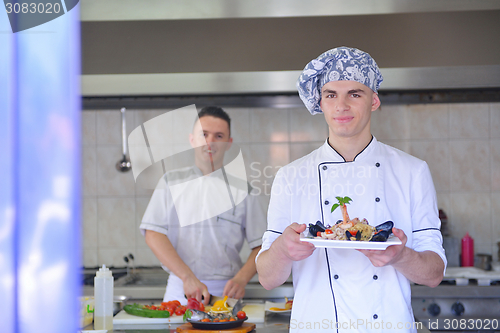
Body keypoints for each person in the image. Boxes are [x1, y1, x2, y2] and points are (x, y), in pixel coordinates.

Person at [256, 47, 446, 332]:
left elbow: (433, 274)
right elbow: (268, 279)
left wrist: (400, 255)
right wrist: (283, 249)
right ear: (320, 102)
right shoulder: (290, 176)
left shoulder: (412, 171)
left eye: (354, 94)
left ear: (374, 101)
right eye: (331, 95)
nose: (341, 106)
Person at [140, 106, 266, 305]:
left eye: (219, 136)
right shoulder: (170, 182)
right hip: (180, 289)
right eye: (204, 134)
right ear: (192, 139)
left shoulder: (245, 191)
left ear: (228, 142)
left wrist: (241, 279)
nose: (210, 142)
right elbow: (153, 233)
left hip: (226, 293)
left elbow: (261, 245)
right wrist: (187, 277)